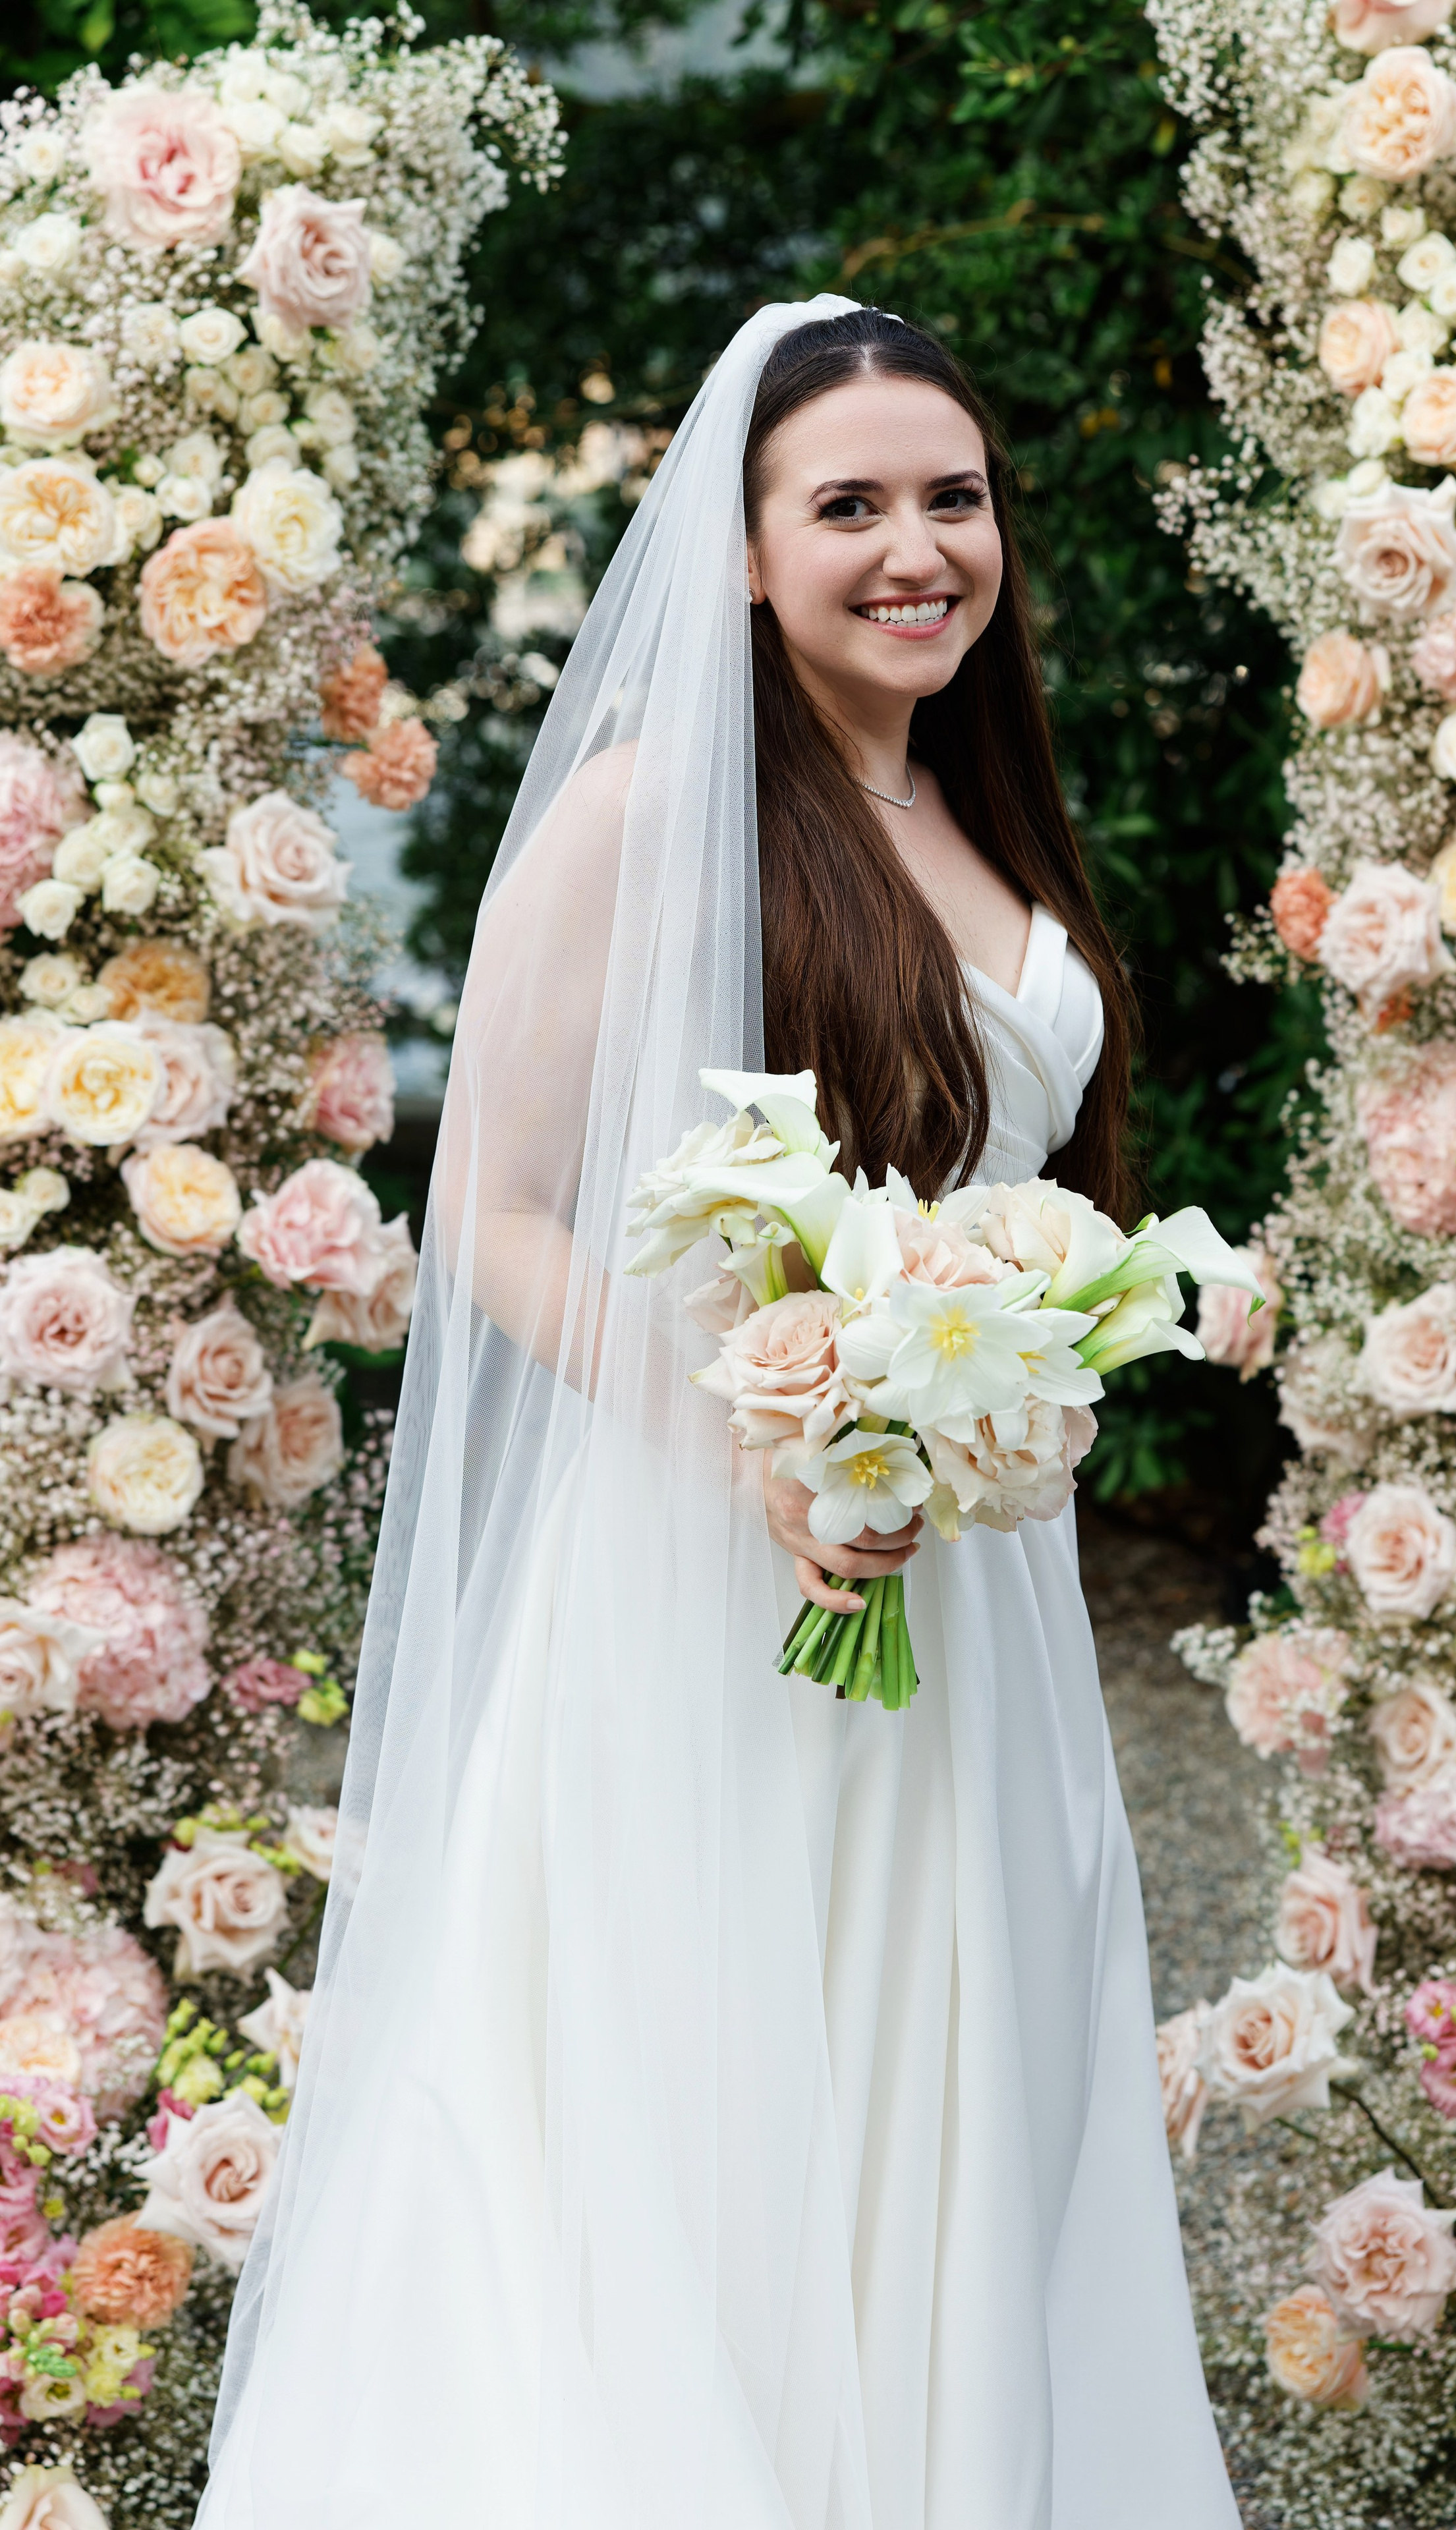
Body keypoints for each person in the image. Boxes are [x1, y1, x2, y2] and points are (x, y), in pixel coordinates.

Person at [197, 298, 1241, 2530]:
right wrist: (761, 1441)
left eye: (950, 499)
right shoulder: (649, 812)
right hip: (714, 1570)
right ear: (745, 556)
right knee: (723, 2114)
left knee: (983, 2096)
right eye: (846, 505)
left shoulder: (980, 809)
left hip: (980, 1593)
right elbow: (491, 1208)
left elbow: (1022, 1196)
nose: (914, 549)